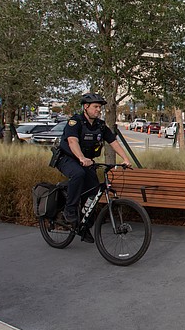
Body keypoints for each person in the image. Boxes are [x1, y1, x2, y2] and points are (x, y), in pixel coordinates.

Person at [55, 92, 132, 242]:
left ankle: (84, 226)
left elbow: (113, 142)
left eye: (100, 108)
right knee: (78, 174)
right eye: (96, 107)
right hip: (68, 158)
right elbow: (72, 142)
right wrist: (81, 158)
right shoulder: (75, 122)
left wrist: (125, 158)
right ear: (86, 107)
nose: (98, 110)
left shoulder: (100, 125)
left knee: (95, 190)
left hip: (87, 161)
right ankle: (69, 210)